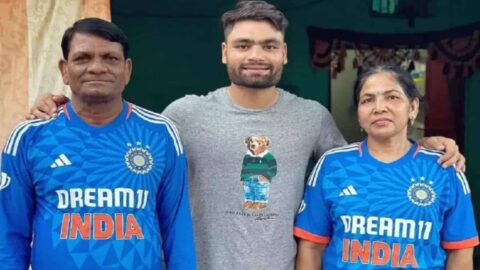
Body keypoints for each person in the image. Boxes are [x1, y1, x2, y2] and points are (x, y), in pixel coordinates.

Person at [27, 2, 466, 269]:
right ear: (224, 53)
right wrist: (66, 106)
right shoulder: (184, 113)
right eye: (243, 45)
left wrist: (423, 145)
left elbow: (363, 166)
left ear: (284, 54)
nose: (256, 55)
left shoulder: (311, 117)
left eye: (268, 45)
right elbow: (126, 135)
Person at [0, 18, 196, 270]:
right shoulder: (30, 136)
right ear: (64, 70)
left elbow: (177, 231)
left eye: (110, 58)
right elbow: (8, 233)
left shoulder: (160, 133)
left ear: (127, 69)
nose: (97, 67)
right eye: (82, 58)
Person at [294, 65, 478, 269]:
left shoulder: (444, 168)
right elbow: (311, 246)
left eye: (392, 97)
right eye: (368, 100)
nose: (379, 107)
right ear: (359, 114)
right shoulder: (333, 165)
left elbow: (460, 251)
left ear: (413, 107)